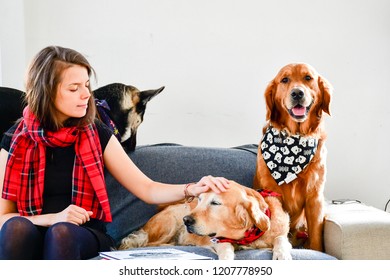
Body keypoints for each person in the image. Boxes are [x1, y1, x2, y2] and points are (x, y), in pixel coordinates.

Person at [0, 46, 229, 260]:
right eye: (74, 88)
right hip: (34, 227)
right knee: (15, 228)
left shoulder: (97, 132)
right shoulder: (15, 140)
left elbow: (147, 189)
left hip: (82, 233)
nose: (86, 95)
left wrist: (192, 189)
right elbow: (3, 218)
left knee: (61, 233)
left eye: (86, 85)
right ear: (47, 92)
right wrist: (52, 218)